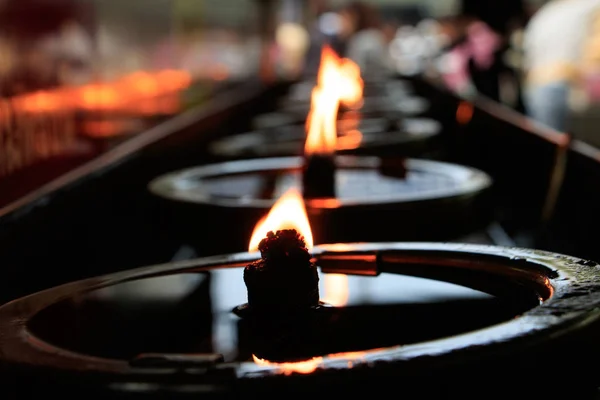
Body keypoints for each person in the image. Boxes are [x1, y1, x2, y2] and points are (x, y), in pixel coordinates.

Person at [522, 0, 600, 132]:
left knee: (546, 142)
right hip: (563, 84)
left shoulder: (549, 11)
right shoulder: (592, 6)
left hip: (534, 86)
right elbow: (594, 51)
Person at [337, 1, 392, 78]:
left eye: (344, 19)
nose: (341, 25)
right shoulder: (371, 36)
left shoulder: (364, 40)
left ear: (355, 18)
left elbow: (355, 72)